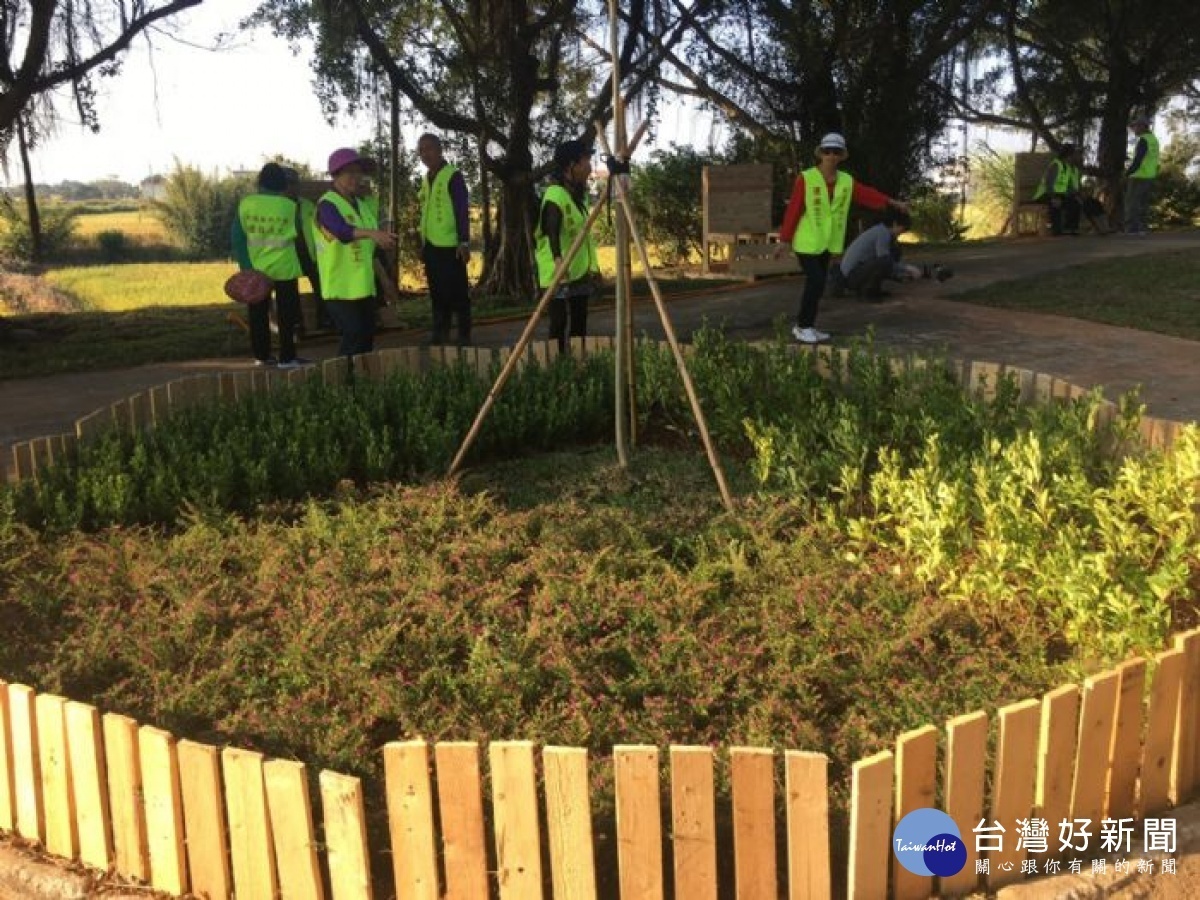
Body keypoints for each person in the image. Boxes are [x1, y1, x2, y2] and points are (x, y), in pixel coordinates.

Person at [776, 132, 907, 344]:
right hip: (807, 241)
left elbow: (867, 194)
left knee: (818, 284)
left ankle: (808, 325)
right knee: (816, 281)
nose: (831, 155)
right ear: (821, 154)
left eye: (836, 152)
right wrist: (784, 239)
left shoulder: (846, 181)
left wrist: (892, 202)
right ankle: (802, 326)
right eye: (827, 151)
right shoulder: (806, 178)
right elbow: (794, 208)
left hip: (827, 242)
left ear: (841, 155)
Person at [313, 147, 397, 362]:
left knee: (366, 338)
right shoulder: (327, 205)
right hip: (340, 288)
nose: (356, 177)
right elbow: (341, 231)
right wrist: (373, 233)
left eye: (358, 172)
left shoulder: (361, 205)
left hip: (363, 286)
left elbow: (371, 249)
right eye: (349, 172)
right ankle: (341, 385)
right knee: (354, 336)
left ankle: (359, 385)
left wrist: (385, 281)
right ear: (335, 175)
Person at [231, 162, 310, 369]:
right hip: (285, 269)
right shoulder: (290, 206)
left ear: (260, 182)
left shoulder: (246, 204)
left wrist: (246, 267)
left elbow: (237, 237)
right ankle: (287, 357)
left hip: (256, 269)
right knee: (287, 314)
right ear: (283, 183)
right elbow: (298, 233)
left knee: (258, 314)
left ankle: (262, 356)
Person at [535, 139, 601, 352]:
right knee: (559, 323)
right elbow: (551, 232)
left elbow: (585, 237)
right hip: (558, 272)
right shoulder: (554, 195)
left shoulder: (578, 196)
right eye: (585, 161)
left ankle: (577, 362)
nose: (589, 166)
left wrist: (594, 268)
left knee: (579, 322)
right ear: (571, 165)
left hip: (578, 271)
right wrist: (558, 262)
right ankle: (557, 365)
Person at [417, 133, 473, 346]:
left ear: (440, 150)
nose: (425, 154)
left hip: (452, 246)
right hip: (431, 245)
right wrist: (423, 243)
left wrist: (464, 241)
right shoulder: (426, 179)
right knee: (437, 292)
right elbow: (426, 211)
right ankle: (440, 333)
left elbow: (461, 209)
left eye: (429, 148)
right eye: (421, 150)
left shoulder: (453, 176)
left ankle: (464, 336)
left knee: (458, 294)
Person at [1033, 144, 1082, 236]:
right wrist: (1053, 197)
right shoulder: (1056, 165)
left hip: (1059, 194)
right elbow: (1048, 184)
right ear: (1069, 155)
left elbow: (1068, 186)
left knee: (1074, 203)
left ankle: (1071, 229)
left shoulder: (1067, 167)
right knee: (1056, 203)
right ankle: (1056, 230)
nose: (1075, 156)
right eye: (1074, 154)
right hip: (1044, 194)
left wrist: (1075, 196)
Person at [1123, 116, 1159, 236]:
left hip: (1138, 175)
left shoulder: (1143, 140)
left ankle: (1132, 229)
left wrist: (1127, 173)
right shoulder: (1153, 139)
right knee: (1143, 203)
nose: (1134, 129)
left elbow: (1138, 160)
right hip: (1150, 175)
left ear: (1143, 126)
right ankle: (1142, 228)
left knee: (1132, 202)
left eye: (1136, 126)